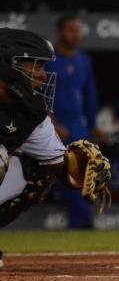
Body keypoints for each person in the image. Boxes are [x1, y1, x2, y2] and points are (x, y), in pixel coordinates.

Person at [0, 28, 111, 266]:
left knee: (38, 173)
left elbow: (59, 166)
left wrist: (81, 171)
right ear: (8, 66)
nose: (43, 75)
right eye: (36, 66)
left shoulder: (32, 114)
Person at [44, 14, 99, 228]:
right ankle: (83, 219)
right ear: (60, 32)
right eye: (70, 29)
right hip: (54, 125)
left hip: (78, 125)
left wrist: (93, 124)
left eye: (78, 30)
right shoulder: (48, 60)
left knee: (82, 173)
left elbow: (90, 95)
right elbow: (40, 94)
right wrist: (51, 123)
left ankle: (81, 218)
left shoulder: (84, 60)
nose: (75, 34)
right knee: (66, 170)